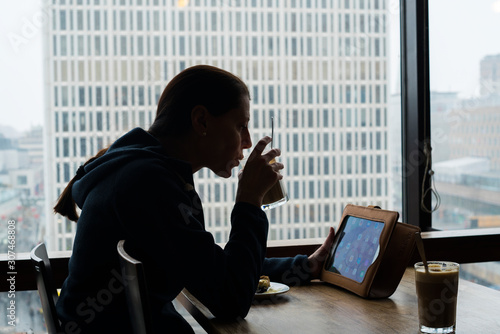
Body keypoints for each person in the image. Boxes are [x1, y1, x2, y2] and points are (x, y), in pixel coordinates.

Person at [54, 65, 335, 333]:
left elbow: (210, 267)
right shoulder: (151, 184)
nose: (248, 141)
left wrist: (304, 266)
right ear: (201, 121)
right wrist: (249, 200)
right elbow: (231, 299)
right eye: (241, 125)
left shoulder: (142, 170)